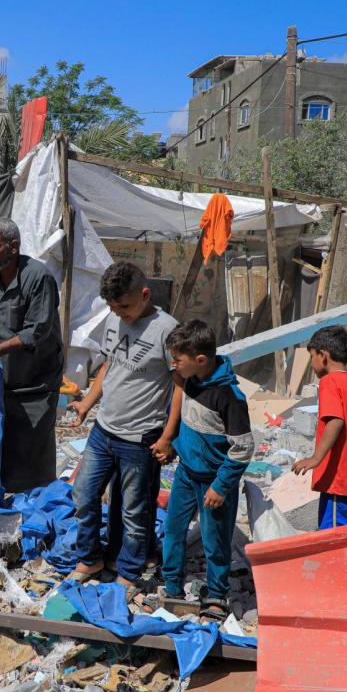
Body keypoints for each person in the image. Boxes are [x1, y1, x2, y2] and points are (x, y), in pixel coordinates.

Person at [65, 263, 179, 592]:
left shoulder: (167, 330)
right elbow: (110, 363)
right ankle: (91, 558)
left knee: (134, 511)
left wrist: (168, 436)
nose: (120, 314)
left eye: (125, 306)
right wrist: (88, 403)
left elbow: (180, 387)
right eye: (113, 308)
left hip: (140, 438)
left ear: (145, 295)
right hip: (104, 431)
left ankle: (128, 571)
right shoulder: (115, 318)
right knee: (83, 495)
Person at [159, 320, 252, 622]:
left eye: (177, 359)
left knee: (215, 539)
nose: (173, 365)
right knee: (173, 529)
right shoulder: (191, 378)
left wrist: (221, 486)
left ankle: (215, 594)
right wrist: (173, 443)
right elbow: (188, 422)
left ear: (200, 359)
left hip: (213, 482)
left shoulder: (229, 397)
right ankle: (171, 586)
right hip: (187, 473)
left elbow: (243, 448)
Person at [0, 217, 64, 494]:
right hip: (1, 375)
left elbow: (36, 331)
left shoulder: (39, 277)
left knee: (33, 445)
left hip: (36, 380)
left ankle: (37, 500)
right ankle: (5, 494)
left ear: (14, 246)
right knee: (1, 439)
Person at [291, 325, 347, 529]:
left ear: (323, 355)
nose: (312, 364)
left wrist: (316, 458)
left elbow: (335, 420)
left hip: (342, 481)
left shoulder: (330, 382)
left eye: (312, 356)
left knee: (334, 541)